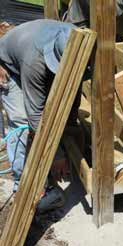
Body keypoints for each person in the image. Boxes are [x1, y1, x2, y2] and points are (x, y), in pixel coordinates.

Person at [0, 19, 76, 212]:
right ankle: (22, 185)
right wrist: (57, 154)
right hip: (9, 66)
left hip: (29, 50)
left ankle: (49, 170)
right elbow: (35, 116)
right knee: (21, 123)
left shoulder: (78, 39)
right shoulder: (34, 62)